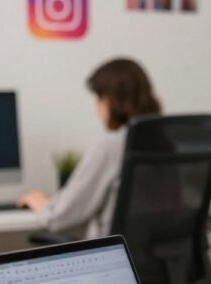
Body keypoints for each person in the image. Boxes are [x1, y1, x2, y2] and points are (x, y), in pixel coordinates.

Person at [18, 58, 162, 238]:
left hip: (115, 258)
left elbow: (60, 217)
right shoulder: (165, 141)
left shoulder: (111, 146)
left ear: (110, 101)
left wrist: (40, 204)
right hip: (165, 262)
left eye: (99, 98)